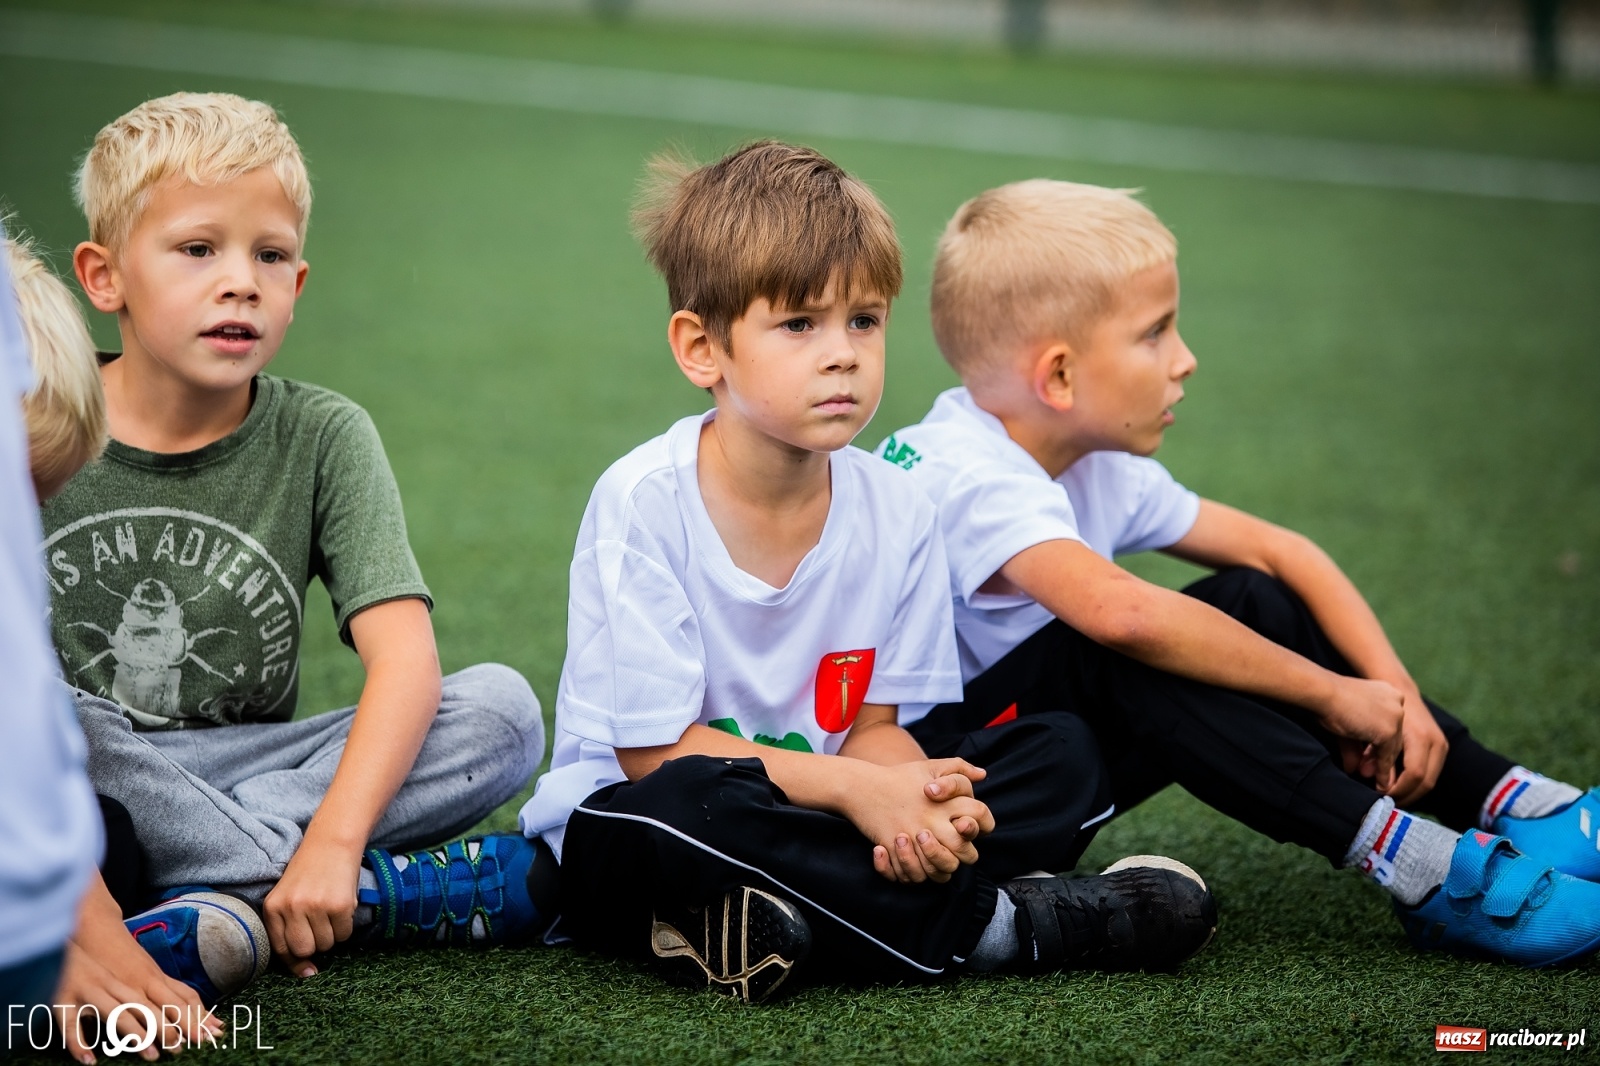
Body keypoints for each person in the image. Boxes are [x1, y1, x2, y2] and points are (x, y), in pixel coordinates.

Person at [519, 143, 1217, 1004]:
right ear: (703, 349)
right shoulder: (642, 502)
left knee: (1060, 753)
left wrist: (912, 795)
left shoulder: (899, 508)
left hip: (819, 816)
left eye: (865, 320)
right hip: (652, 817)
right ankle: (1007, 928)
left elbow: (873, 728)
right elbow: (654, 754)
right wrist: (862, 791)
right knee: (683, 812)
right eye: (800, 324)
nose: (843, 353)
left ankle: (773, 919)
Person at [880, 178, 1600, 968]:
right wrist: (1330, 695)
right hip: (929, 793)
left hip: (1039, 745)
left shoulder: (1090, 461)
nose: (1185, 359)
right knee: (1125, 646)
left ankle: (1505, 799)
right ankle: (1423, 871)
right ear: (1058, 377)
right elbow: (1125, 618)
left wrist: (1390, 695)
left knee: (1250, 598)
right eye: (1155, 334)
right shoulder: (965, 471)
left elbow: (1280, 554)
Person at [42, 93, 552, 1004]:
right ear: (104, 274)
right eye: (199, 249)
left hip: (265, 767)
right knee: (64, 721)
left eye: (269, 256)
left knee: (505, 714)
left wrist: (334, 838)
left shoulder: (324, 435)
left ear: (298, 284)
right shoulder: (40, 423)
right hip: (91, 779)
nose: (241, 280)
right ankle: (367, 902)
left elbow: (406, 665)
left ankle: (235, 897)